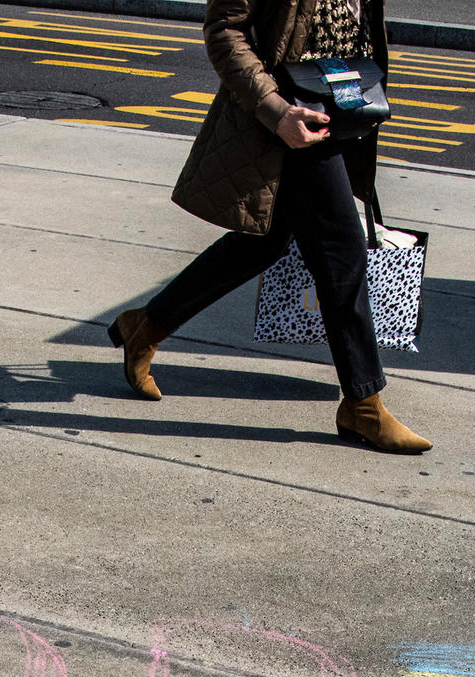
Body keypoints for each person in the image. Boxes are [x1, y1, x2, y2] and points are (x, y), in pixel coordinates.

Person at [108, 0, 432, 454]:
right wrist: (276, 111)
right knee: (342, 249)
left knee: (266, 241)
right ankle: (363, 403)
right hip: (289, 111)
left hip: (336, 96)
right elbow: (225, 29)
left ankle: (145, 326)